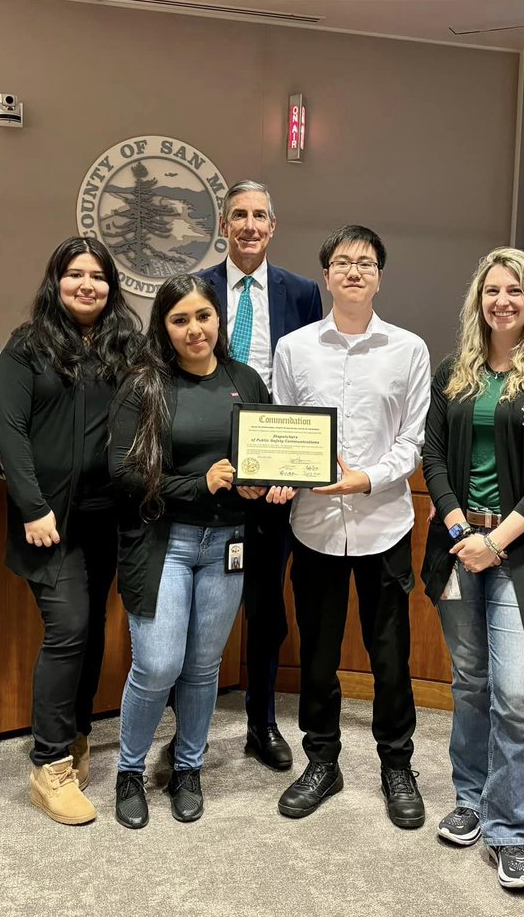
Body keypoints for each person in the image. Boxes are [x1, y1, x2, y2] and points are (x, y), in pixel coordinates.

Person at [420, 247, 524, 890]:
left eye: (515, 289)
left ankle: (509, 830)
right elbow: (433, 455)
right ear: (478, 300)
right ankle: (468, 801)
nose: (503, 300)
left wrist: (499, 540)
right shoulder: (454, 371)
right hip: (461, 545)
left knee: (515, 692)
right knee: (469, 683)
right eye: (492, 289)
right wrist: (460, 525)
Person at [273, 225, 431, 829]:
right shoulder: (295, 349)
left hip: (383, 524)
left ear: (380, 276)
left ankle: (397, 765)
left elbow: (413, 440)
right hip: (312, 525)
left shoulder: (408, 349)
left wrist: (365, 478)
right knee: (316, 653)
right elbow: (284, 429)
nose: (354, 271)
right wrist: (283, 472)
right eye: (342, 262)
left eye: (366, 262)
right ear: (327, 274)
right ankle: (323, 761)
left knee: (390, 656)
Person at [107, 274, 275, 829]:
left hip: (229, 543)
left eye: (203, 316)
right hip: (165, 544)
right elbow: (124, 475)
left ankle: (188, 766)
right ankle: (130, 771)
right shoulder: (144, 385)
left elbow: (269, 454)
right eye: (180, 320)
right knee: (157, 665)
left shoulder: (245, 380)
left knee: (203, 667)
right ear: (164, 327)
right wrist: (196, 484)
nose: (194, 329)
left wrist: (264, 483)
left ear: (218, 320)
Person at [0, 237, 143, 826]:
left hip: (109, 514)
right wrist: (32, 507)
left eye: (99, 276)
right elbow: (11, 430)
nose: (88, 285)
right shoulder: (28, 345)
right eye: (75, 274)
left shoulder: (126, 345)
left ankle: (78, 734)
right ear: (56, 281)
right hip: (48, 520)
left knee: (95, 631)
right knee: (70, 627)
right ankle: (49, 763)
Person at [196, 179, 322, 770]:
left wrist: (290, 469)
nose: (249, 226)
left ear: (274, 226)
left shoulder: (301, 293)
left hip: (277, 469)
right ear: (224, 225)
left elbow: (310, 381)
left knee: (268, 608)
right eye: (238, 215)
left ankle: (261, 722)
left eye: (260, 217)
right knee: (199, 605)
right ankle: (188, 726)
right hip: (211, 467)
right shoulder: (196, 290)